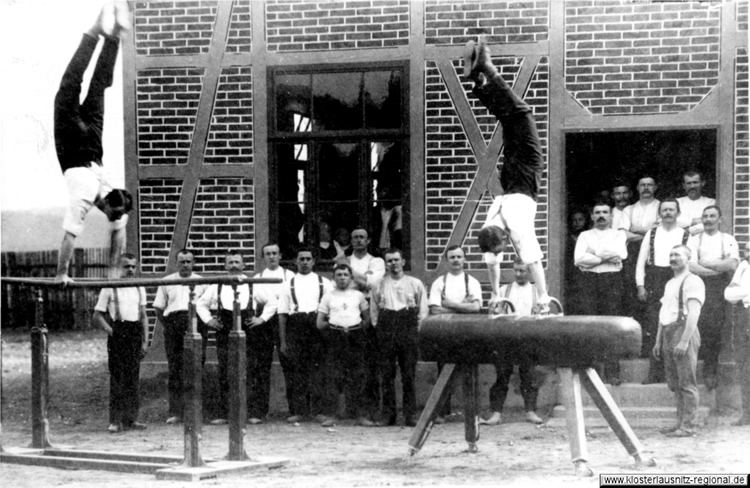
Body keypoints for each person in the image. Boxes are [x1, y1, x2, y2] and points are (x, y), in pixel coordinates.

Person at [464, 37, 551, 314]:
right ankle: (479, 84)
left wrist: (543, 297)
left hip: (525, 175)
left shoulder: (513, 231)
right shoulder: (487, 230)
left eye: (503, 248)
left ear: (501, 239)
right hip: (510, 179)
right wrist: (495, 294)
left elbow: (534, 263)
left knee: (522, 114)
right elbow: (493, 262)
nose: (504, 251)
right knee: (509, 118)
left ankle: (487, 70)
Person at [54, 3, 133, 284]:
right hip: (73, 146)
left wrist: (113, 272)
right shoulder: (86, 197)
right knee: (70, 84)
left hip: (92, 145)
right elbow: (69, 236)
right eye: (111, 214)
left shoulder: (113, 194)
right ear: (108, 206)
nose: (110, 217)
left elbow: (119, 230)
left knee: (96, 86)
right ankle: (98, 34)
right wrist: (61, 273)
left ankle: (108, 37)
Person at [479, 257, 546, 426]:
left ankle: (530, 411)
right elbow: (494, 315)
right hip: (506, 339)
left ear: (530, 272)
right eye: (516, 270)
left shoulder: (537, 291)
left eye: (522, 270)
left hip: (528, 338)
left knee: (528, 376)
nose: (518, 274)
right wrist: (496, 310)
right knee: (502, 375)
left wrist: (539, 312)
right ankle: (496, 413)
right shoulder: (503, 290)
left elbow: (543, 317)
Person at [370, 248, 429, 427]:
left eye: (396, 260)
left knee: (408, 375)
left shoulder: (415, 283)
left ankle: (410, 415)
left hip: (407, 328)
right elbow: (374, 311)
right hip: (387, 328)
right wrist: (380, 328)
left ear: (403, 261)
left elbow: (423, 309)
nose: (393, 264)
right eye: (389, 261)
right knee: (387, 374)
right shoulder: (378, 284)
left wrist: (416, 329)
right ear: (385, 264)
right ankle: (388, 415)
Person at [278, 248, 335, 425]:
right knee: (298, 371)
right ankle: (299, 411)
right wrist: (283, 341)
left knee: (319, 370)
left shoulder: (324, 283)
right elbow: (282, 313)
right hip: (296, 325)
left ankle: (319, 411)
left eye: (308, 259)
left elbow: (331, 309)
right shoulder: (288, 284)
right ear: (296, 262)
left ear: (313, 261)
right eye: (301, 259)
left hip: (317, 325)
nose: (304, 262)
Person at [93, 253, 148, 433]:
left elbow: (144, 316)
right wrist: (112, 331)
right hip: (118, 332)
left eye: (133, 266)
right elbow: (97, 315)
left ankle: (131, 419)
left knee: (133, 377)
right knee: (118, 377)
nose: (130, 269)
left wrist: (145, 341)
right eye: (126, 266)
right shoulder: (110, 287)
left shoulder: (139, 288)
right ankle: (115, 420)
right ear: (119, 268)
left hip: (134, 334)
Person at [653, 245, 704, 437]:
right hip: (668, 331)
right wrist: (658, 340)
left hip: (684, 331)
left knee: (687, 382)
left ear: (688, 258)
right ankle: (679, 423)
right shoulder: (670, 283)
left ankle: (689, 426)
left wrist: (684, 341)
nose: (673, 258)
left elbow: (694, 313)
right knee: (675, 383)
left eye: (678, 255)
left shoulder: (693, 281)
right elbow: (663, 313)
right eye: (671, 254)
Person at [635, 199, 689, 383]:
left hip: (677, 278)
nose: (667, 213)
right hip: (654, 279)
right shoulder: (651, 233)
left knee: (676, 323)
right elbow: (641, 261)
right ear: (659, 213)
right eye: (664, 210)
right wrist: (640, 284)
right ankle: (654, 372)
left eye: (671, 210)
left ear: (678, 213)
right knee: (653, 325)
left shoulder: (685, 234)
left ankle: (674, 373)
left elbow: (691, 261)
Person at [574, 202, 628, 384]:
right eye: (597, 213)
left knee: (611, 325)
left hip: (612, 280)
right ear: (592, 216)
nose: (601, 216)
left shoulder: (618, 234)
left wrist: (593, 253)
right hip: (589, 280)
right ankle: (594, 374)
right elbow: (578, 259)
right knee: (591, 324)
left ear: (611, 216)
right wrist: (606, 256)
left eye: (605, 212)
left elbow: (620, 254)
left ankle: (613, 373)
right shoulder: (584, 235)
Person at [196, 251, 252, 425]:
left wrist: (261, 318)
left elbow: (272, 302)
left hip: (247, 330)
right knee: (226, 370)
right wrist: (209, 320)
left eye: (237, 262)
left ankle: (247, 413)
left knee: (247, 370)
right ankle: (226, 413)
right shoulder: (217, 286)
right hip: (224, 331)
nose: (234, 265)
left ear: (243, 265)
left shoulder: (252, 284)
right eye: (230, 262)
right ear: (225, 266)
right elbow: (200, 304)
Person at [153, 249, 208, 425]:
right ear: (176, 263)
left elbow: (208, 307)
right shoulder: (167, 281)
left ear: (194, 263)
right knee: (175, 368)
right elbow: (159, 308)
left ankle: (196, 411)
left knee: (196, 366)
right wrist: (170, 325)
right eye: (182, 262)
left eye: (188, 261)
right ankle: (176, 411)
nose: (185, 265)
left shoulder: (202, 282)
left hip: (196, 324)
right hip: (174, 325)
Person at [335, 227, 386, 421]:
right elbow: (343, 284)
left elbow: (372, 284)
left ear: (368, 240)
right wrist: (358, 278)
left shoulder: (377, 261)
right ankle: (351, 409)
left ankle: (371, 409)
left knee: (371, 366)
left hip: (370, 315)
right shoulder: (346, 260)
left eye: (362, 237)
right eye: (354, 237)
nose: (358, 240)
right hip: (349, 313)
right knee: (349, 364)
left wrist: (348, 270)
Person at [687, 206, 739, 390]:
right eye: (705, 216)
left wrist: (707, 264)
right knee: (695, 326)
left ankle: (710, 372)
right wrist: (717, 267)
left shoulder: (728, 239)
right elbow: (691, 266)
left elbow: (732, 264)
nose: (708, 219)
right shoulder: (694, 240)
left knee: (715, 329)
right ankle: (691, 372)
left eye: (712, 216)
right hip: (698, 285)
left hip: (719, 287)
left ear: (720, 219)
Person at [428, 245, 482, 422]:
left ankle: (472, 414)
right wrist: (463, 306)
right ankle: (442, 412)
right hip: (446, 333)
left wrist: (450, 304)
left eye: (459, 257)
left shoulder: (472, 282)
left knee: (470, 372)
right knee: (444, 372)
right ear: (447, 260)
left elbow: (476, 308)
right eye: (452, 257)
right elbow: (435, 310)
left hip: (467, 333)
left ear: (464, 259)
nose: (456, 260)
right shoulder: (440, 282)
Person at [317, 264, 374, 426]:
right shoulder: (328, 296)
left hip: (356, 338)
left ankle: (359, 415)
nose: (342, 277)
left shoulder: (358, 296)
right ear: (333, 278)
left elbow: (367, 318)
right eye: (339, 275)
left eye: (345, 275)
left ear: (351, 277)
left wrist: (355, 328)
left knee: (358, 375)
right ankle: (333, 415)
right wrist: (335, 326)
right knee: (334, 375)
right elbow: (320, 323)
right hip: (335, 337)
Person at [247, 243, 295, 425]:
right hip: (263, 326)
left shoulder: (289, 276)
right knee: (261, 367)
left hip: (285, 322)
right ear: (263, 257)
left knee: (289, 364)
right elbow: (259, 300)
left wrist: (266, 314)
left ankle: (294, 410)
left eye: (275, 253)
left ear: (280, 255)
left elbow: (281, 301)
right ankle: (259, 411)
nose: (272, 257)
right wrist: (261, 317)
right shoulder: (258, 278)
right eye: (268, 254)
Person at [724, 241, 750, 425]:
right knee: (743, 366)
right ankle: (747, 414)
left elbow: (737, 293)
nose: (749, 253)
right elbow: (728, 295)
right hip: (744, 316)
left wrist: (741, 292)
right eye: (748, 250)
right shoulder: (743, 266)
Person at [677, 171, 716, 236]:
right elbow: (668, 221)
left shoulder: (711, 202)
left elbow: (710, 223)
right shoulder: (677, 202)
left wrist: (685, 229)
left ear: (702, 183)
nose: (692, 186)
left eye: (695, 182)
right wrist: (694, 221)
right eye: (689, 183)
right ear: (684, 186)